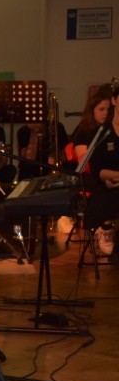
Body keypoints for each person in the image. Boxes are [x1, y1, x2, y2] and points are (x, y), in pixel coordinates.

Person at [87, 84, 119, 255]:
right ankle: (106, 230)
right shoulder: (101, 133)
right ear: (114, 100)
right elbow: (97, 170)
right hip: (106, 186)